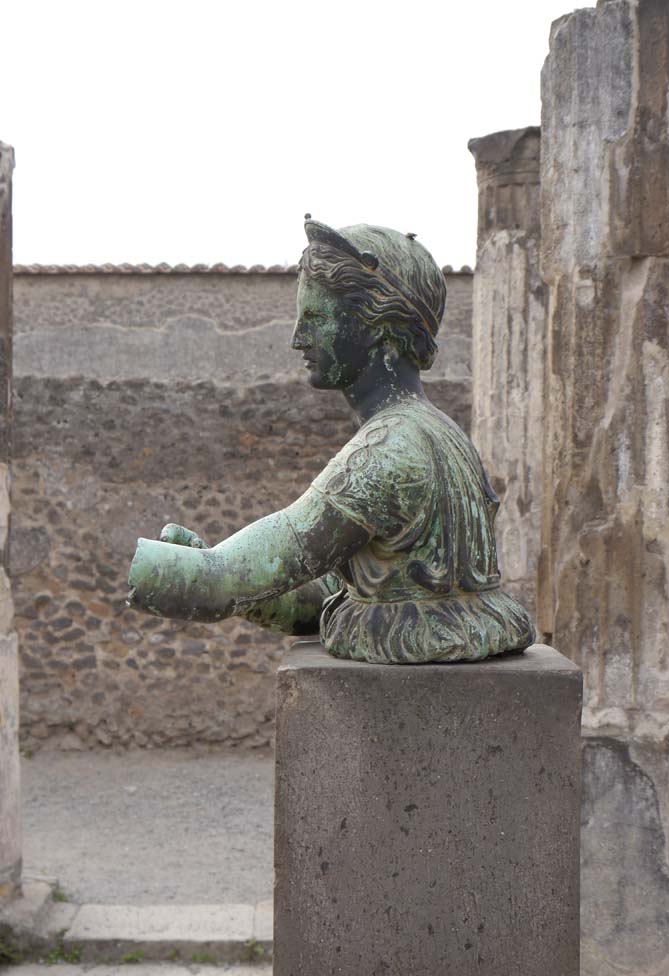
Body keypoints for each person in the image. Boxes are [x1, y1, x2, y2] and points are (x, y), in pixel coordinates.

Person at [128, 218, 535, 663]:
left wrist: (171, 570)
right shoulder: (436, 432)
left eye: (317, 319)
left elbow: (219, 584)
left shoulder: (385, 452)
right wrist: (214, 564)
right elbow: (325, 596)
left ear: (376, 324)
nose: (297, 339)